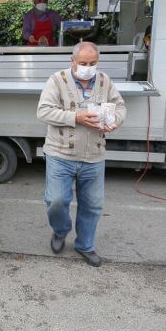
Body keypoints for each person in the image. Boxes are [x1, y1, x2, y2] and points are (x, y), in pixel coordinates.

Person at [36, 42, 125, 267]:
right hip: (60, 154)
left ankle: (85, 245)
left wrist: (115, 121)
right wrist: (76, 117)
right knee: (55, 201)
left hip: (94, 155)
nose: (88, 67)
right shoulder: (57, 80)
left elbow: (120, 106)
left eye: (93, 63)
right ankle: (60, 231)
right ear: (72, 61)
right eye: (83, 63)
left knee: (93, 205)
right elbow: (43, 111)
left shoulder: (104, 81)